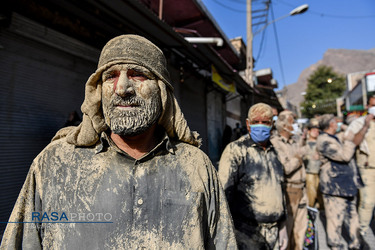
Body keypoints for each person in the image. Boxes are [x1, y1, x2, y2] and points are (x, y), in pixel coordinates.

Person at [0, 34, 237, 249]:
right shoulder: (54, 163)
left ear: (162, 91)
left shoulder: (196, 167)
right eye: (110, 76)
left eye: (137, 74)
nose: (122, 88)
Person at [219, 103, 288, 250]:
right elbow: (223, 195)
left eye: (265, 122)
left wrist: (282, 226)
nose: (260, 126)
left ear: (272, 124)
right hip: (246, 233)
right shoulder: (236, 151)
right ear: (248, 124)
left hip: (274, 232)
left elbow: (280, 189)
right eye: (256, 122)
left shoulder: (275, 152)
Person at [316, 114, 368, 250]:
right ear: (331, 124)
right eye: (336, 122)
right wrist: (349, 141)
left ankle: (355, 243)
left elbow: (350, 135)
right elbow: (344, 156)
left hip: (348, 185)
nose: (338, 123)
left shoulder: (334, 137)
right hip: (334, 187)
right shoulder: (323, 141)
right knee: (335, 220)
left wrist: (357, 127)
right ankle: (335, 245)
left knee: (353, 217)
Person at [271, 110, 307, 250]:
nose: (295, 125)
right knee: (288, 231)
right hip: (289, 190)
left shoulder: (294, 141)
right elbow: (285, 168)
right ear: (284, 125)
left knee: (300, 232)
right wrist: (299, 156)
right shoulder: (275, 143)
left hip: (301, 189)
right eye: (292, 122)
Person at [345, 95, 375, 236]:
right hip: (367, 168)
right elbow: (354, 142)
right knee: (367, 201)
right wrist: (365, 126)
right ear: (368, 107)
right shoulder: (359, 123)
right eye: (372, 105)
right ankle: (361, 232)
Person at [302, 118, 323, 209]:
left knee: (320, 192)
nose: (316, 132)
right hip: (309, 171)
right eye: (313, 130)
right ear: (309, 131)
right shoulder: (304, 143)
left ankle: (320, 208)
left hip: (320, 171)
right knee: (310, 192)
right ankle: (310, 208)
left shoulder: (321, 142)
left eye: (317, 130)